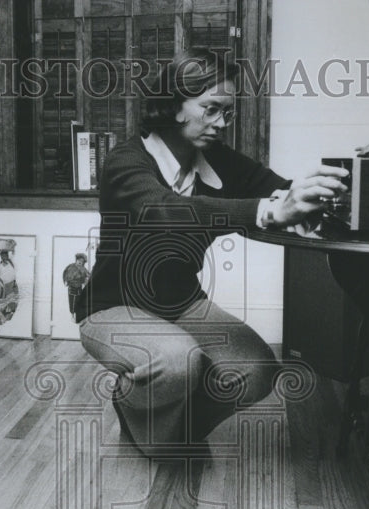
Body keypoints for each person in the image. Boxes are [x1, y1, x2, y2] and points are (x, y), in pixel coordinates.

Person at [75, 48, 348, 454]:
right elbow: (167, 212)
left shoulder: (218, 160)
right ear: (173, 105)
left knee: (257, 369)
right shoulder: (125, 161)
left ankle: (167, 430)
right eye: (211, 109)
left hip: (181, 303)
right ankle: (133, 404)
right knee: (179, 361)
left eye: (228, 113)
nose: (222, 123)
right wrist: (272, 211)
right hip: (111, 307)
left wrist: (310, 195)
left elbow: (274, 187)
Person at [62, 253, 91, 319]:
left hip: (79, 287)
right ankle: (72, 314)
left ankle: (77, 314)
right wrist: (65, 281)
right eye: (79, 260)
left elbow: (88, 275)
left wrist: (87, 280)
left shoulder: (83, 269)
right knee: (71, 301)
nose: (80, 262)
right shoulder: (70, 266)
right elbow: (65, 273)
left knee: (78, 301)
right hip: (71, 287)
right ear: (76, 260)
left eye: (82, 261)